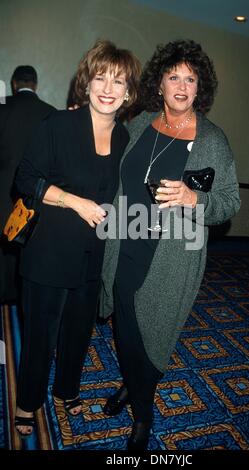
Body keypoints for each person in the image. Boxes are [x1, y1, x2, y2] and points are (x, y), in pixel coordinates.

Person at [98, 39, 241, 450]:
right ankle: (134, 389)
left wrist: (194, 199)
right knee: (126, 327)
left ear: (200, 88)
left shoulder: (213, 139)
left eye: (191, 79)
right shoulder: (140, 123)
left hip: (173, 256)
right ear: (159, 83)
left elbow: (230, 201)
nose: (181, 86)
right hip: (125, 241)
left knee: (153, 333)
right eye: (173, 76)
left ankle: (143, 413)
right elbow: (107, 154)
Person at [12, 40, 141, 438]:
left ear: (128, 93)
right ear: (86, 84)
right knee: (40, 335)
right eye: (100, 77)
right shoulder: (58, 126)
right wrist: (74, 202)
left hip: (94, 256)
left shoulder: (125, 140)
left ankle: (66, 389)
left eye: (118, 81)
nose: (108, 87)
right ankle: (26, 401)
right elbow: (26, 180)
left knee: (78, 333)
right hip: (49, 253)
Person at [0, 65, 55, 303]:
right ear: (35, 84)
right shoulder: (51, 113)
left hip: (2, 192)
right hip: (35, 195)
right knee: (26, 250)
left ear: (14, 84)